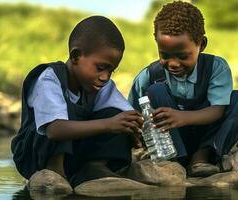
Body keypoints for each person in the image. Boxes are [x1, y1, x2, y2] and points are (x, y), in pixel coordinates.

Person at [11, 16, 143, 188]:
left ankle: (95, 167)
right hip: (35, 154)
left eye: (111, 71)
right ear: (75, 56)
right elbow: (54, 130)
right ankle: (56, 172)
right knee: (65, 116)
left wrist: (138, 128)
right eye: (100, 68)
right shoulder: (49, 79)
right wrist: (109, 124)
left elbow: (124, 115)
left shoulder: (98, 85)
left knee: (119, 116)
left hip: (75, 152)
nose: (105, 77)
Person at [128, 1, 238, 177]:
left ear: (201, 44)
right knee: (156, 91)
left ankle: (203, 156)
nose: (173, 63)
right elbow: (131, 111)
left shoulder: (216, 68)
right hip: (171, 142)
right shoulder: (149, 75)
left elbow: (218, 110)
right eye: (165, 55)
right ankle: (175, 162)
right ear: (156, 42)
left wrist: (182, 117)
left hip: (207, 133)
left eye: (182, 56)